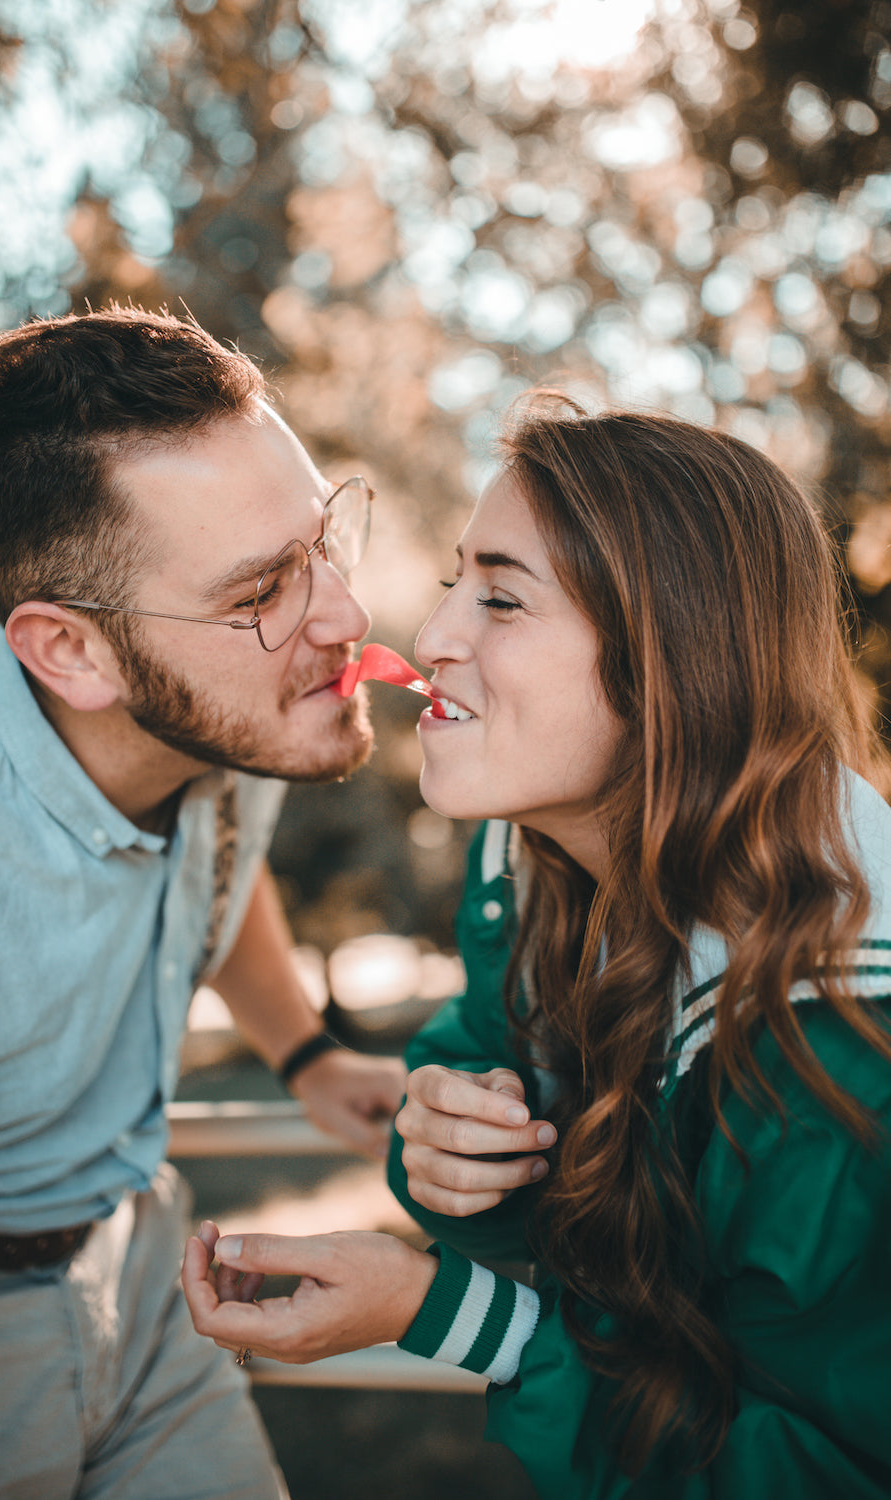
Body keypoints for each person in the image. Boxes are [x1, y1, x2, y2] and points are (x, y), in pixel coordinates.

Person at [183, 397, 891, 1498]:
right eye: (451, 585)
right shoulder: (525, 865)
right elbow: (467, 1059)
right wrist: (450, 1150)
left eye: (503, 598)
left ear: (679, 659)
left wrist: (447, 1314)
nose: (430, 640)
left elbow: (808, 1470)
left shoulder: (844, 1050)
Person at [0, 304, 406, 1500]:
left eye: (323, 537)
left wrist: (305, 1051)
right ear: (70, 651)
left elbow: (216, 876)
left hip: (159, 1284)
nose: (342, 617)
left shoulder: (231, 719)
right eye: (260, 592)